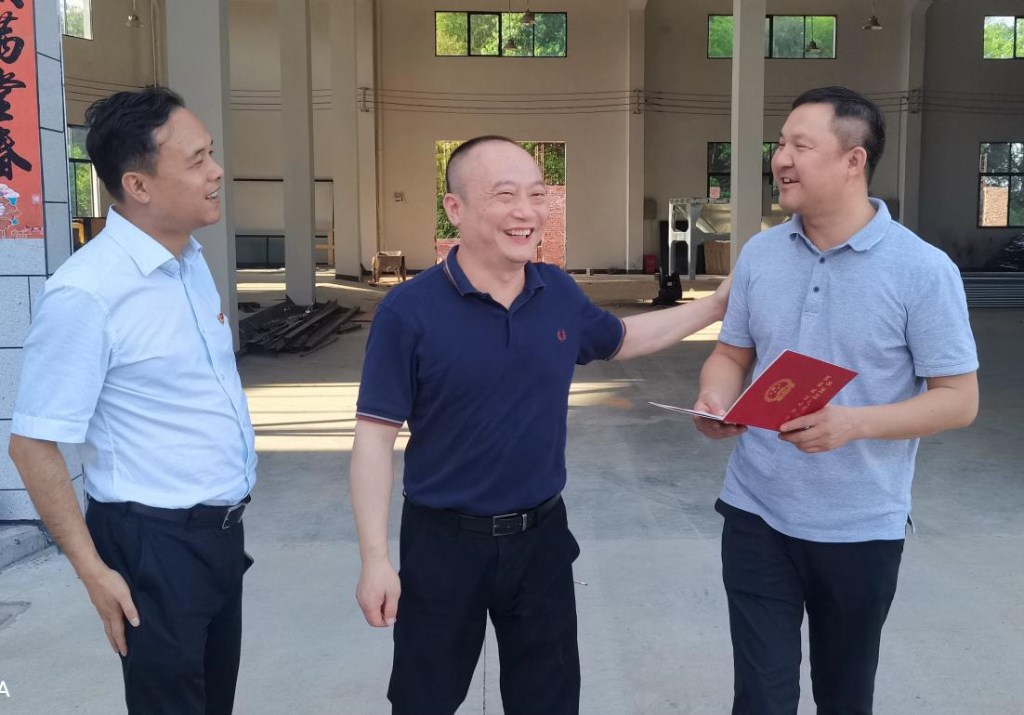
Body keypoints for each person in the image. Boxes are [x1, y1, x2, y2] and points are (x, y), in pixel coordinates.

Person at [351, 135, 730, 715]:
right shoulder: (409, 312)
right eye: (505, 196)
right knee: (424, 700)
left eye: (537, 194)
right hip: (443, 544)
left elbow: (622, 338)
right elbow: (375, 439)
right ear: (455, 209)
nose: (526, 212)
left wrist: (714, 306)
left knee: (548, 699)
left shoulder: (557, 293)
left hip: (541, 539)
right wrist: (375, 559)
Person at [692, 86, 979, 715]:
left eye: (801, 145)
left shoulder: (922, 269)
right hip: (756, 512)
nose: (780, 159)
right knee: (761, 698)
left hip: (860, 526)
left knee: (844, 697)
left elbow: (959, 400)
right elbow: (732, 354)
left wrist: (854, 424)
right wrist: (716, 397)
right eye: (779, 144)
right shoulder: (760, 253)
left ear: (854, 160)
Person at [8, 87, 257, 715]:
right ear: (138, 185)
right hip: (152, 548)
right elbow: (32, 443)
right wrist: (94, 572)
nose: (217, 171)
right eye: (197, 160)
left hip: (219, 537)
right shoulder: (88, 293)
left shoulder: (190, 263)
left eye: (211, 153)